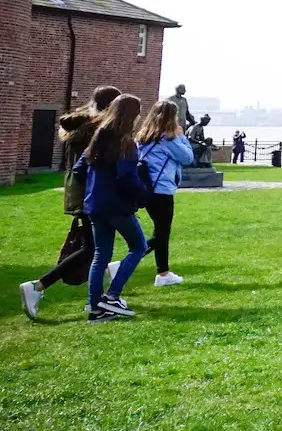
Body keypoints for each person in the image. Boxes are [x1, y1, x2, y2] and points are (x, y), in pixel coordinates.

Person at [19, 85, 120, 320]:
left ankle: (99, 295)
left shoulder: (83, 127)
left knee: (95, 247)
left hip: (82, 192)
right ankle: (39, 286)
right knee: (92, 249)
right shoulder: (98, 131)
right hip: (91, 194)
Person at [82, 94, 151, 321]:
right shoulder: (125, 143)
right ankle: (112, 296)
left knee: (100, 254)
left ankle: (95, 308)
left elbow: (81, 168)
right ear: (132, 115)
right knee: (138, 246)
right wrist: (144, 194)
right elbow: (127, 176)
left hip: (95, 204)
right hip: (117, 206)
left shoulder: (98, 137)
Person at [135, 100, 195, 286]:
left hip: (147, 189)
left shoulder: (143, 137)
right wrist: (181, 136)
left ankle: (163, 273)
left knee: (160, 231)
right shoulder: (168, 139)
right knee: (162, 234)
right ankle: (125, 263)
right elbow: (188, 157)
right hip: (162, 190)